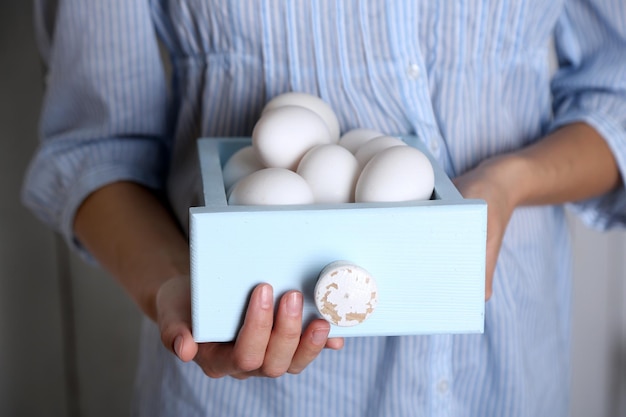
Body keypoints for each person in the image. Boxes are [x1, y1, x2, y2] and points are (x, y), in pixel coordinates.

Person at [23, 1, 625, 416]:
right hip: (248, 392)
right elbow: (96, 149)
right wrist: (173, 286)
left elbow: (616, 92)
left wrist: (510, 182)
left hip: (510, 376)